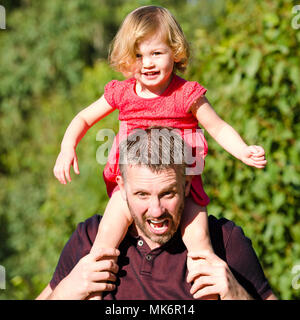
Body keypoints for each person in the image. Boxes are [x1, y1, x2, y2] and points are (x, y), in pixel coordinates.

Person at [53, 6, 267, 299]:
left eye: (156, 53)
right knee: (102, 247)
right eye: (138, 55)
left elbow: (217, 128)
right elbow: (83, 118)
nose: (147, 63)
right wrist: (68, 147)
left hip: (182, 187)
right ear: (127, 59)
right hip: (131, 185)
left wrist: (242, 150)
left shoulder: (187, 94)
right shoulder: (123, 92)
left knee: (202, 248)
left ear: (175, 52)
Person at [39, 127, 276, 300]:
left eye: (167, 194)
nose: (156, 210)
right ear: (121, 187)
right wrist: (65, 292)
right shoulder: (89, 238)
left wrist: (236, 294)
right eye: (142, 194)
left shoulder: (224, 241)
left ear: (186, 186)